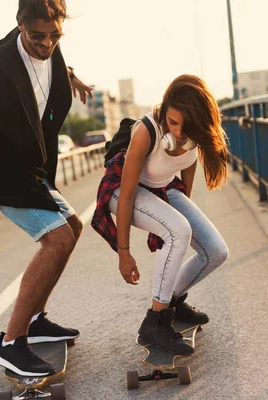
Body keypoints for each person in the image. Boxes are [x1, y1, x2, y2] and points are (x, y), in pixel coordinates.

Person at [0, 0, 93, 377]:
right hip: (3, 175)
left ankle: (35, 322)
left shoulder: (49, 41)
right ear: (20, 26)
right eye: (38, 36)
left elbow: (51, 60)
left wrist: (71, 75)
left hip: (32, 170)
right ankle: (11, 342)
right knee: (58, 239)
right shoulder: (1, 70)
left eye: (55, 36)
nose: (47, 44)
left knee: (73, 228)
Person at [92, 74, 230, 355]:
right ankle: (155, 322)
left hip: (162, 190)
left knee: (216, 251)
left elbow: (184, 188)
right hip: (123, 192)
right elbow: (128, 193)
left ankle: (173, 302)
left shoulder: (194, 140)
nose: (178, 133)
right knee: (178, 229)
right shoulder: (147, 131)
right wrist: (124, 252)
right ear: (165, 111)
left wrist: (173, 222)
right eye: (173, 123)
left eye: (185, 126)